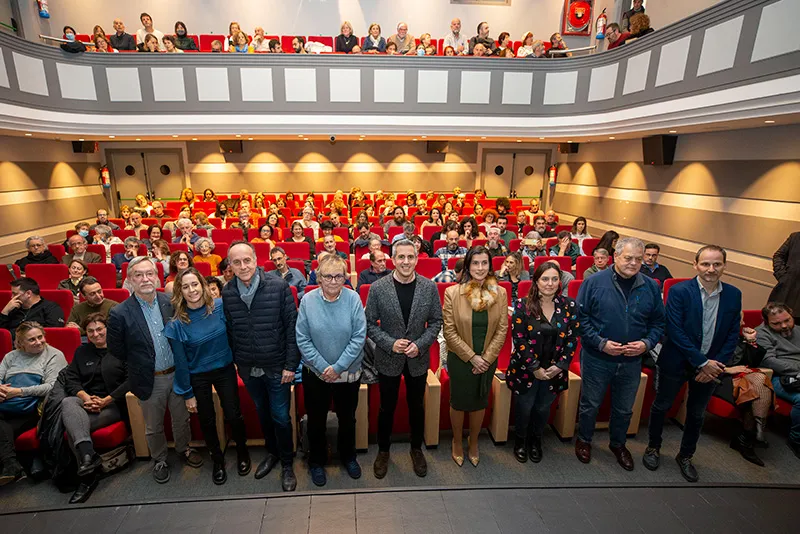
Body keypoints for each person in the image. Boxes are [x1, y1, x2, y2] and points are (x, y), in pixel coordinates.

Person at [643, 245, 742, 482]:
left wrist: (714, 365)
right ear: (695, 265)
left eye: (716, 264)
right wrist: (702, 362)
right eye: (705, 264)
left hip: (711, 366)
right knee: (662, 406)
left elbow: (731, 333)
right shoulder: (679, 291)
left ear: (724, 266)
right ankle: (653, 448)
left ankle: (686, 455)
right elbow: (675, 331)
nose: (711, 269)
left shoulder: (733, 294)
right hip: (677, 360)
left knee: (696, 414)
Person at [108, 257, 202, 484]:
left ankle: (184, 449)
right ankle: (159, 459)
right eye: (138, 275)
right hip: (149, 379)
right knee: (153, 426)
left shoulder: (169, 301)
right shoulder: (119, 312)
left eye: (149, 273)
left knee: (181, 419)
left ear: (157, 276)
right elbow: (116, 350)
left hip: (177, 374)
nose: (145, 279)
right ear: (130, 280)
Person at [575, 237, 665, 470]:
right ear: (616, 257)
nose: (633, 263)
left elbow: (658, 323)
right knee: (590, 404)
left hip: (631, 360)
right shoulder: (594, 282)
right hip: (598, 357)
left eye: (638, 259)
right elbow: (581, 320)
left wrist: (646, 344)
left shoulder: (650, 286)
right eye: (628, 258)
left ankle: (618, 443)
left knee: (624, 408)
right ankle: (584, 440)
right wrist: (601, 343)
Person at [222, 242, 298, 490]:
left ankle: (287, 463)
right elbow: (231, 330)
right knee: (263, 414)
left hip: (277, 367)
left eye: (247, 260)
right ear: (230, 265)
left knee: (280, 417)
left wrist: (290, 365)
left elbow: (291, 327)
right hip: (248, 367)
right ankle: (272, 453)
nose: (243, 266)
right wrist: (237, 360)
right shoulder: (228, 292)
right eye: (236, 262)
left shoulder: (278, 286)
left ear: (256, 260)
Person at [164, 268, 250, 485]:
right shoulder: (177, 324)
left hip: (225, 369)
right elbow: (181, 362)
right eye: (185, 286)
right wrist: (187, 393)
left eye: (195, 284)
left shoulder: (220, 307)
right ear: (179, 292)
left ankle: (242, 452)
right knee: (207, 421)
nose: (192, 290)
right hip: (198, 376)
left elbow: (235, 335)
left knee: (234, 414)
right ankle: (218, 461)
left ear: (203, 285)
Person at [366, 240, 442, 478]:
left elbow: (436, 322)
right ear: (393, 259)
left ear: (417, 259)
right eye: (401, 257)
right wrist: (390, 343)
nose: (406, 262)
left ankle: (416, 449)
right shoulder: (378, 288)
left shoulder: (429, 287)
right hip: (388, 358)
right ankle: (383, 451)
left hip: (417, 359)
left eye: (410, 257)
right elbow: (368, 324)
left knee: (416, 407)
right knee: (386, 408)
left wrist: (419, 346)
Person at [296, 255, 366, 486]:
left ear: (345, 277)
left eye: (339, 276)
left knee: (348, 419)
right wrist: (323, 367)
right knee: (316, 420)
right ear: (318, 277)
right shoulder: (307, 301)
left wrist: (337, 368)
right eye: (328, 276)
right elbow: (302, 339)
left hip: (347, 374)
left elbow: (358, 337)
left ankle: (348, 456)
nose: (334, 281)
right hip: (316, 374)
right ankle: (316, 462)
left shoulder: (354, 299)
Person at [443, 246, 508, 467]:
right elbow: (449, 332)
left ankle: (474, 443)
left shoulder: (500, 293)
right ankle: (457, 441)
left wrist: (486, 359)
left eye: (484, 263)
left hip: (487, 360)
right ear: (468, 266)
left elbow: (502, 329)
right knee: (459, 402)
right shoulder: (453, 293)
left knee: (481, 401)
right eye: (475, 263)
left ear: (490, 265)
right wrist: (472, 357)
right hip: (461, 359)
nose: (480, 268)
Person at [507, 262, 578, 463]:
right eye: (545, 279)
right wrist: (535, 368)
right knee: (525, 407)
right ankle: (520, 441)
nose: (550, 283)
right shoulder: (522, 305)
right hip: (526, 369)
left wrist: (560, 366)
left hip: (555, 370)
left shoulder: (569, 305)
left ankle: (536, 441)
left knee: (542, 408)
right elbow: (519, 339)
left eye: (554, 279)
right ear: (536, 281)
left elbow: (572, 339)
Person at [59, 313, 128, 503]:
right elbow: (71, 379)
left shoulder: (122, 349)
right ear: (86, 334)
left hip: (113, 404)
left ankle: (87, 479)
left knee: (74, 428)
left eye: (100, 329)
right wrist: (86, 397)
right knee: (68, 402)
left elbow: (132, 380)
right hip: (87, 401)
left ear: (108, 329)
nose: (96, 334)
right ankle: (88, 457)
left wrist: (105, 400)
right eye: (90, 331)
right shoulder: (82, 352)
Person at [0, 322, 68, 486]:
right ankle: (13, 465)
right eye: (32, 340)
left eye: (40, 337)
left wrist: (19, 392)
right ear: (20, 343)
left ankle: (12, 464)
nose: (38, 342)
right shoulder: (11, 356)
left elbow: (52, 386)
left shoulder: (53, 355)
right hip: (6, 404)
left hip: (34, 408)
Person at [710, 317, 771, 465]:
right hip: (716, 378)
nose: (744, 324)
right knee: (752, 393)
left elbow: (753, 363)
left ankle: (750, 435)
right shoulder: (710, 335)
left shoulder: (739, 338)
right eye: (740, 320)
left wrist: (750, 341)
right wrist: (727, 369)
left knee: (759, 380)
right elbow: (701, 361)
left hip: (741, 378)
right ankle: (751, 435)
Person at [756, 302, 800, 458]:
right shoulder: (761, 333)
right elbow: (769, 361)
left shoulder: (798, 330)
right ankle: (796, 439)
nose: (784, 326)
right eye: (776, 323)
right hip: (779, 377)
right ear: (767, 322)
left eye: (787, 320)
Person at [1, 278, 65, 333]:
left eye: (15, 294)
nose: (12, 297)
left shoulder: (51, 308)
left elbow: (53, 334)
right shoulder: (13, 308)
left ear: (28, 293)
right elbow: (2, 334)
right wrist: (5, 312)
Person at [769, 232, 800, 321]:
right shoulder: (795, 237)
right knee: (776, 323)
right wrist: (783, 276)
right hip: (786, 293)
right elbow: (778, 256)